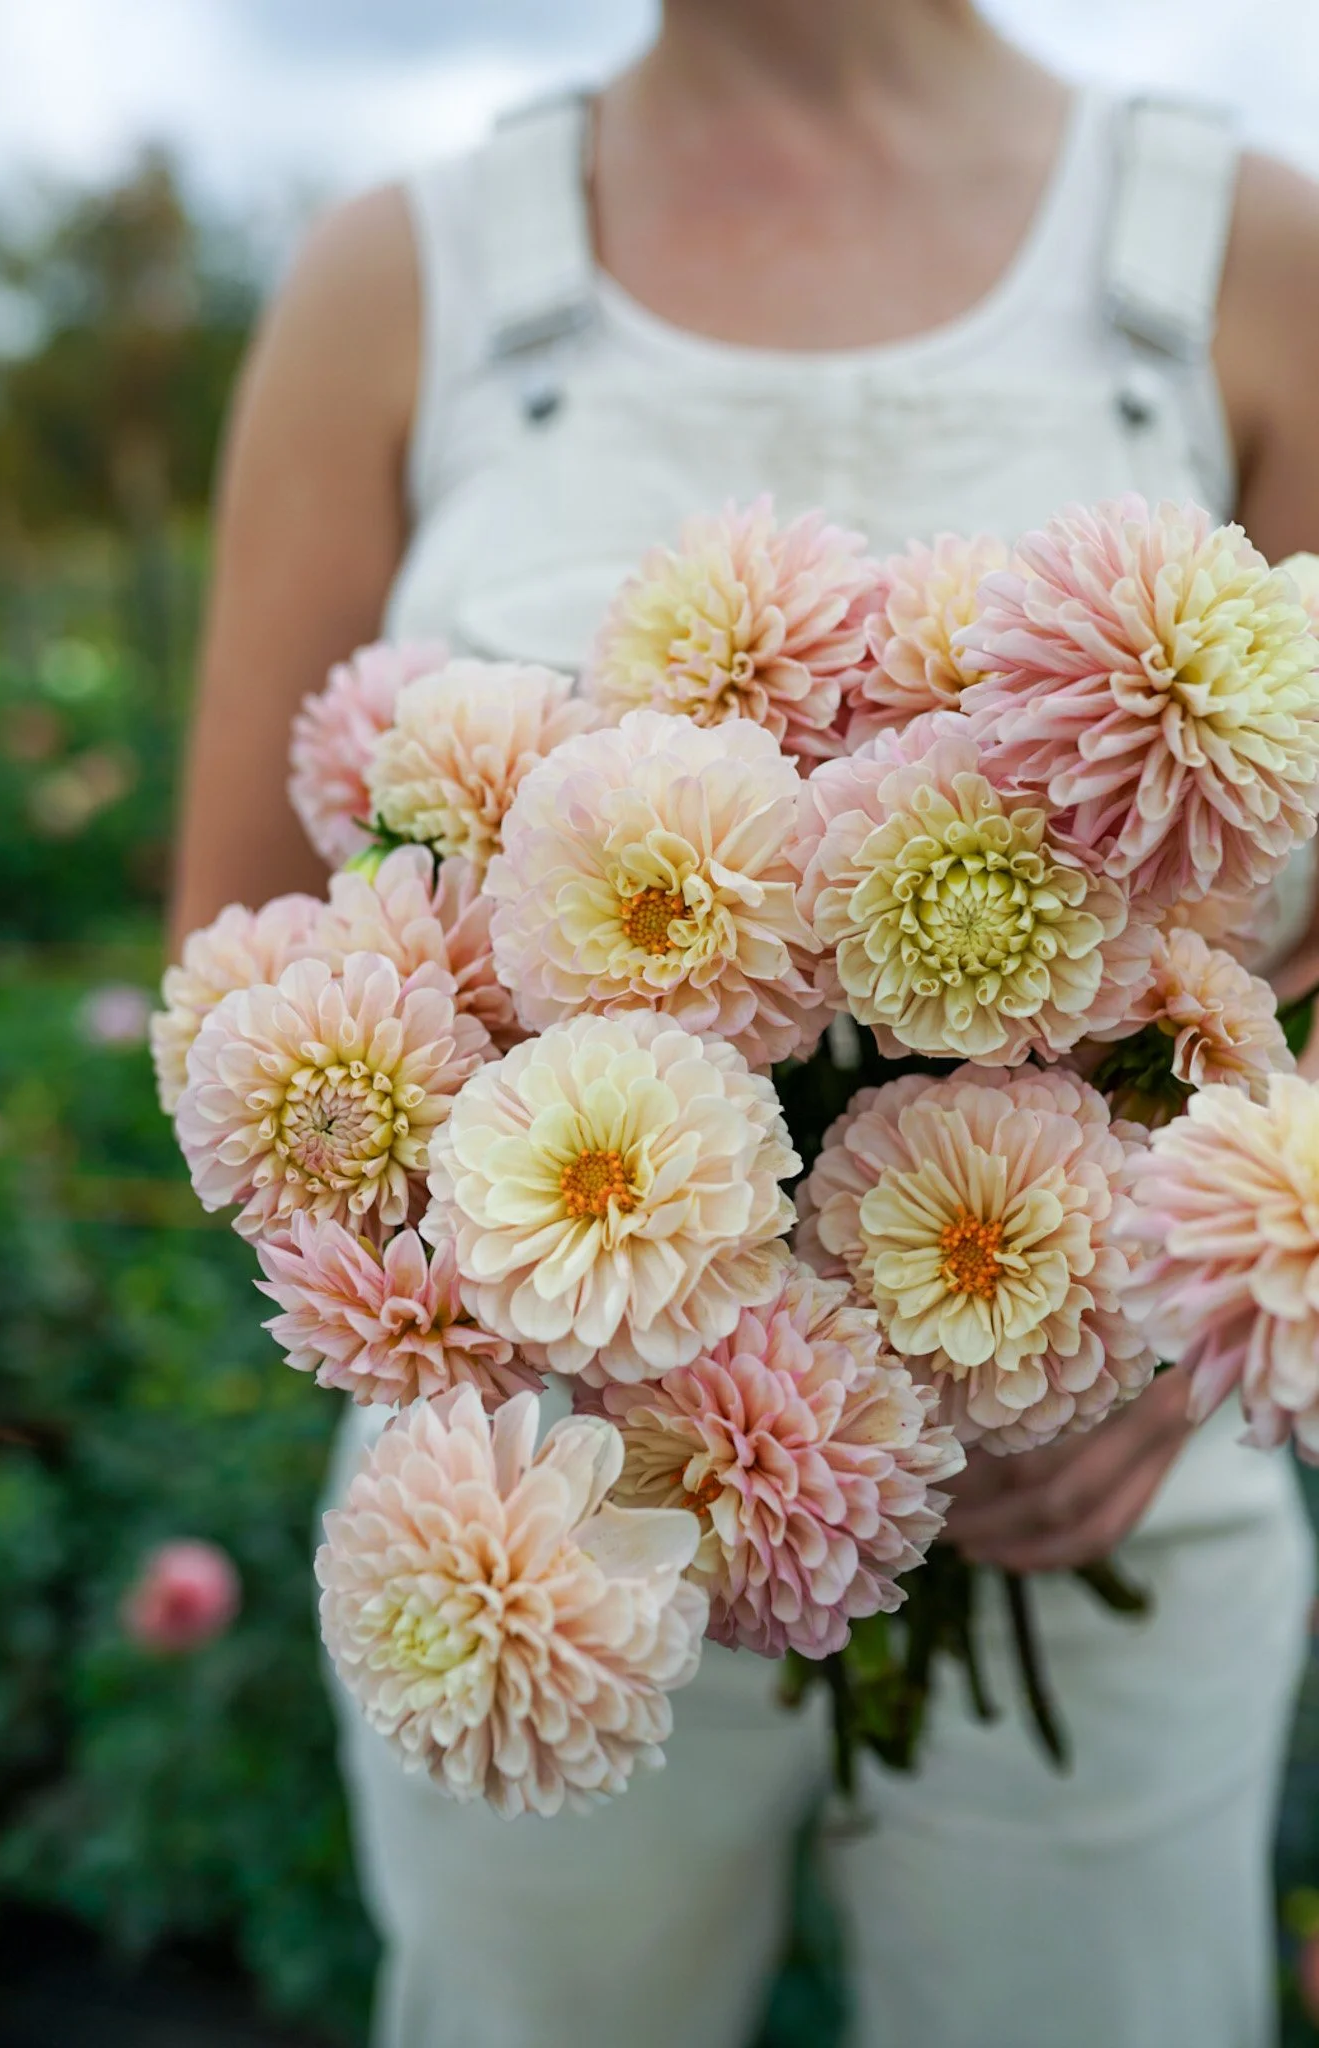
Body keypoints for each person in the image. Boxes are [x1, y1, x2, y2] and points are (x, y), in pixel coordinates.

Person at [169, 4, 1319, 2044]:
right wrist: (531, 1318)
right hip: (522, 1519)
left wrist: (1182, 1317)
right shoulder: (399, 277)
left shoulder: (1252, 251)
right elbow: (237, 978)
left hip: (1110, 1482)